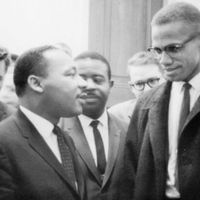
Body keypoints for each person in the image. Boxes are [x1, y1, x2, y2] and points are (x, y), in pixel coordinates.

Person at [124, 2, 200, 200]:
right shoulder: (146, 102)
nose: (164, 60)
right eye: (157, 50)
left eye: (173, 48)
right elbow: (126, 175)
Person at [0, 45, 87, 200]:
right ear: (36, 83)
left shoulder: (65, 140)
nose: (83, 83)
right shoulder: (4, 142)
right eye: (71, 75)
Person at [59, 51, 126, 200]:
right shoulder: (56, 130)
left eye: (97, 79)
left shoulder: (128, 129)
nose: (89, 86)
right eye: (81, 79)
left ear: (110, 85)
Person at [108, 51, 163, 129]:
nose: (147, 90)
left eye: (152, 81)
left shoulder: (178, 113)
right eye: (139, 84)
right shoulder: (115, 115)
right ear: (132, 88)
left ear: (165, 80)